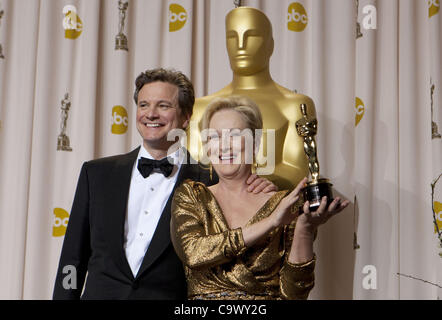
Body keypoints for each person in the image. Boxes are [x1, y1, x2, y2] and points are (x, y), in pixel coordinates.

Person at [53, 68, 276, 299]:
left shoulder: (210, 181)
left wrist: (258, 187)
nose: (151, 114)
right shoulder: (97, 174)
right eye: (144, 105)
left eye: (163, 106)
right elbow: (72, 260)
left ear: (186, 117)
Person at [171, 96, 349, 300]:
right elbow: (194, 253)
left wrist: (305, 229)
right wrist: (271, 222)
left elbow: (294, 294)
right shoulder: (191, 196)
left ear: (255, 144)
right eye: (215, 137)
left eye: (235, 136)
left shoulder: (284, 204)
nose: (224, 146)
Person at [188, 6, 317, 191]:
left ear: (270, 45)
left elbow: (300, 171)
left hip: (275, 207)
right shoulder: (200, 107)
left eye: (252, 36)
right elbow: (194, 171)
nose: (240, 45)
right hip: (211, 211)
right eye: (232, 37)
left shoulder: (295, 105)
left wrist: (257, 183)